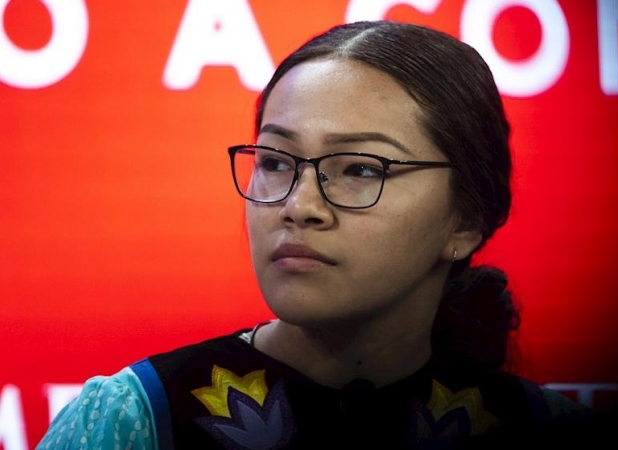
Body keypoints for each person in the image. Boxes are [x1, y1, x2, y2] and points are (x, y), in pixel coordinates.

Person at [37, 20, 590, 449]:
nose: (299, 207)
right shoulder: (135, 419)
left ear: (466, 220)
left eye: (361, 169)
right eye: (276, 162)